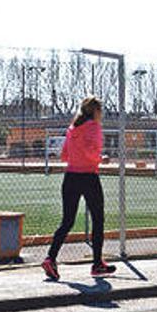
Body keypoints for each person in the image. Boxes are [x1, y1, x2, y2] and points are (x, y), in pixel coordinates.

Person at [41, 96, 116, 281]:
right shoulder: (94, 127)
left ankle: (50, 258)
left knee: (67, 221)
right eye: (101, 110)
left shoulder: (72, 128)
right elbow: (92, 152)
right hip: (89, 176)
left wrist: (79, 155)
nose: (102, 114)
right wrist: (101, 159)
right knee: (98, 219)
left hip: (70, 177)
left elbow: (64, 156)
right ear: (96, 111)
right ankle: (97, 264)